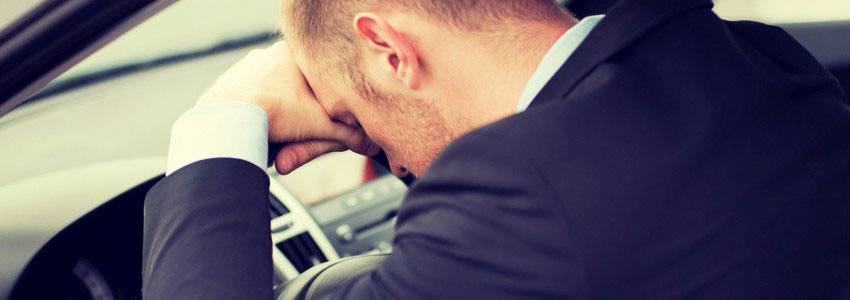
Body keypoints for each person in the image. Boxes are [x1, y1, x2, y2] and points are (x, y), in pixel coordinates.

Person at [142, 0, 850, 299]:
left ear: (388, 48)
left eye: (352, 116)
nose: (379, 153)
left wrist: (221, 120)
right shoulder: (752, 59)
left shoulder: (525, 193)